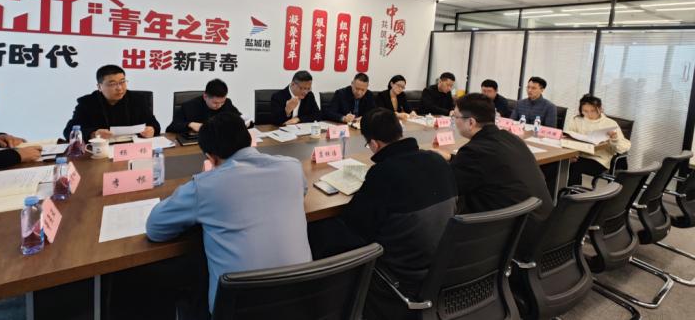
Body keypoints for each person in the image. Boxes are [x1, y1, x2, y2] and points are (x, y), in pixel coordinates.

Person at [146, 112, 311, 313]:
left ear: (211, 158)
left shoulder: (205, 186)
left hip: (238, 309)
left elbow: (155, 229)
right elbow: (301, 192)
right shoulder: (292, 167)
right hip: (302, 302)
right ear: (249, 139)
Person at [308, 108, 456, 319]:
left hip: (397, 272)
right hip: (439, 264)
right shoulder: (437, 160)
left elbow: (355, 226)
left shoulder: (384, 172)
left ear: (374, 144)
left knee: (319, 229)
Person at [446, 93, 553, 237]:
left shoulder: (474, 151)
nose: (454, 120)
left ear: (471, 122)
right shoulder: (512, 139)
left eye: (455, 116)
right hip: (544, 228)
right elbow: (485, 166)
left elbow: (449, 186)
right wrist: (452, 158)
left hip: (513, 236)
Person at [63, 65, 160, 140]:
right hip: (101, 151)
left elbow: (154, 125)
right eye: (112, 84)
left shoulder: (137, 99)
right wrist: (93, 134)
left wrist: (152, 129)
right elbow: (68, 132)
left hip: (133, 149)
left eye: (122, 82)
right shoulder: (87, 103)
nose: (119, 88)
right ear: (99, 87)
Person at [564, 94, 631, 186]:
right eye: (585, 111)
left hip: (599, 159)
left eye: (593, 111)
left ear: (600, 109)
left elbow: (622, 148)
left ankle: (573, 192)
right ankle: (556, 191)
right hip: (579, 155)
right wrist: (572, 154)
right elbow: (570, 138)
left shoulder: (610, 123)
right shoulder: (576, 120)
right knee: (557, 164)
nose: (589, 114)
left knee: (574, 166)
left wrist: (614, 139)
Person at [166, 78, 241, 133]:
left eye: (222, 102)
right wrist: (189, 124)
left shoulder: (227, 103)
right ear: (205, 97)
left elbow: (239, 118)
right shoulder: (189, 106)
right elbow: (171, 128)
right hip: (196, 143)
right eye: (215, 103)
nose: (219, 105)